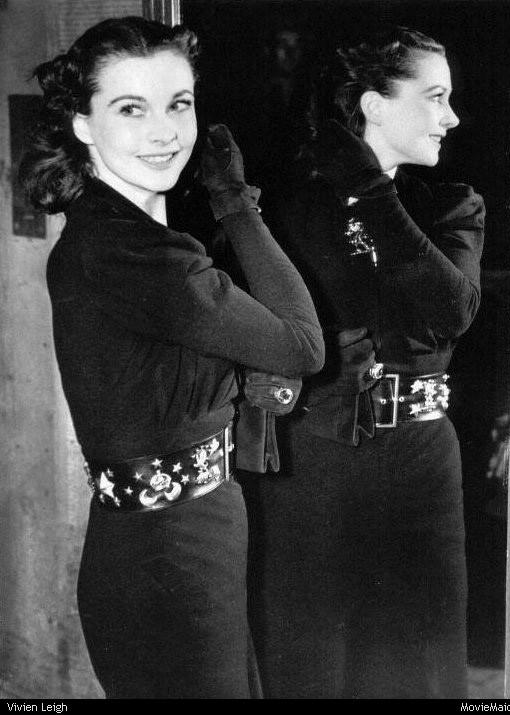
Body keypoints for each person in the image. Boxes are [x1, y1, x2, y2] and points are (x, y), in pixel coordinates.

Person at [20, 16, 324, 699]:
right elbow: (302, 345)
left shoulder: (122, 235)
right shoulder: (137, 254)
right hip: (170, 557)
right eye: (132, 109)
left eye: (178, 104)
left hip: (181, 539)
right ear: (83, 124)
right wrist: (235, 202)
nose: (164, 131)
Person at [240, 26, 485, 699]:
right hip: (313, 463)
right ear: (376, 105)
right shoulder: (288, 207)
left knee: (421, 668)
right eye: (435, 97)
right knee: (311, 666)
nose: (451, 117)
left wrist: (371, 190)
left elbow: (450, 312)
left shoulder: (451, 205)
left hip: (423, 464)